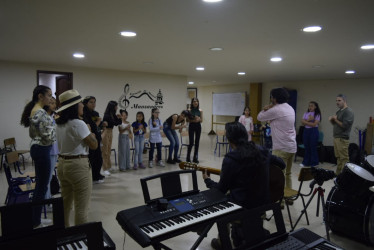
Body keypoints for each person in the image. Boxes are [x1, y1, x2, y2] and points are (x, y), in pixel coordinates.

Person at [202, 122, 285, 249]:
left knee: (219, 201)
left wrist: (208, 180)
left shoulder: (230, 159)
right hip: (262, 203)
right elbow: (282, 164)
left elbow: (221, 191)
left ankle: (222, 242)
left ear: (229, 139)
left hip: (242, 207)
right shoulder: (262, 150)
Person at [56, 89, 98, 227]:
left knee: (65, 204)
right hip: (77, 165)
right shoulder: (78, 124)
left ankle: (64, 235)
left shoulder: (59, 123)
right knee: (81, 207)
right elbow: (94, 145)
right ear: (74, 106)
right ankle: (81, 238)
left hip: (62, 164)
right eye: (80, 103)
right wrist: (90, 131)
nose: (82, 106)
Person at [20, 85, 56, 228]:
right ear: (40, 96)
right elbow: (47, 137)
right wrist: (54, 132)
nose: (50, 98)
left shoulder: (36, 110)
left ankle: (36, 220)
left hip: (39, 148)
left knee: (40, 186)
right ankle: (35, 222)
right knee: (41, 187)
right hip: (42, 149)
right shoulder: (39, 112)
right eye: (49, 95)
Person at [257, 88, 296, 189]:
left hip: (281, 148)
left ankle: (280, 201)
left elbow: (259, 117)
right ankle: (289, 197)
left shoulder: (276, 109)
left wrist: (266, 108)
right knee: (288, 173)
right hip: (292, 147)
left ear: (274, 98)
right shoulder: (290, 108)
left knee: (278, 175)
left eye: (271, 97)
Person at [83, 96, 107, 183]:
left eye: (94, 102)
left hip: (97, 138)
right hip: (90, 139)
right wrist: (98, 122)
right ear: (86, 103)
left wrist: (102, 124)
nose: (93, 104)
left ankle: (97, 175)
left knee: (99, 158)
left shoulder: (95, 113)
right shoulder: (84, 114)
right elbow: (89, 128)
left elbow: (98, 127)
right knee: (91, 158)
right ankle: (91, 177)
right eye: (91, 102)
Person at [329, 94, 354, 175]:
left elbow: (345, 126)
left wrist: (335, 120)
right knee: (339, 158)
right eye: (336, 100)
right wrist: (332, 120)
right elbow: (336, 124)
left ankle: (344, 177)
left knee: (344, 159)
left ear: (344, 101)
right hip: (336, 138)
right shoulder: (339, 111)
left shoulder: (348, 111)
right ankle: (338, 175)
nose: (337, 102)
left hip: (342, 139)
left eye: (339, 100)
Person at [102, 101, 122, 176]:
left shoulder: (112, 114)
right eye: (116, 106)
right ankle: (104, 169)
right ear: (112, 107)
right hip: (105, 131)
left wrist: (118, 118)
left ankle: (109, 166)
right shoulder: (107, 115)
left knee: (108, 150)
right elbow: (116, 123)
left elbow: (118, 123)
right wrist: (119, 118)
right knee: (105, 151)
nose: (117, 107)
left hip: (110, 131)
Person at [44, 97, 59, 199]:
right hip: (48, 151)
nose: (54, 105)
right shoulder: (45, 118)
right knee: (47, 178)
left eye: (55, 103)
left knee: (49, 177)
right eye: (51, 103)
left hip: (54, 150)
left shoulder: (53, 117)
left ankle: (48, 198)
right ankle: (46, 201)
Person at [300, 101, 322, 167]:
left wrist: (306, 121)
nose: (310, 107)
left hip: (313, 131)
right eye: (309, 106)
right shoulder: (306, 113)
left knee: (313, 147)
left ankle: (314, 163)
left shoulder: (317, 114)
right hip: (306, 131)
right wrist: (309, 120)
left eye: (312, 106)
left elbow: (314, 124)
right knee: (307, 147)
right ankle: (305, 162)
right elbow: (302, 123)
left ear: (315, 107)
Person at [187, 98, 203, 163]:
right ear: (192, 103)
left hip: (198, 126)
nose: (195, 102)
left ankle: (195, 157)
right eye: (194, 101)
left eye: (196, 101)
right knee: (191, 142)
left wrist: (199, 119)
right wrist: (194, 120)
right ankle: (188, 157)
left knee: (197, 143)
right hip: (191, 126)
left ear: (198, 102)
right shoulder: (189, 110)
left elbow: (202, 120)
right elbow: (187, 120)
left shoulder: (200, 110)